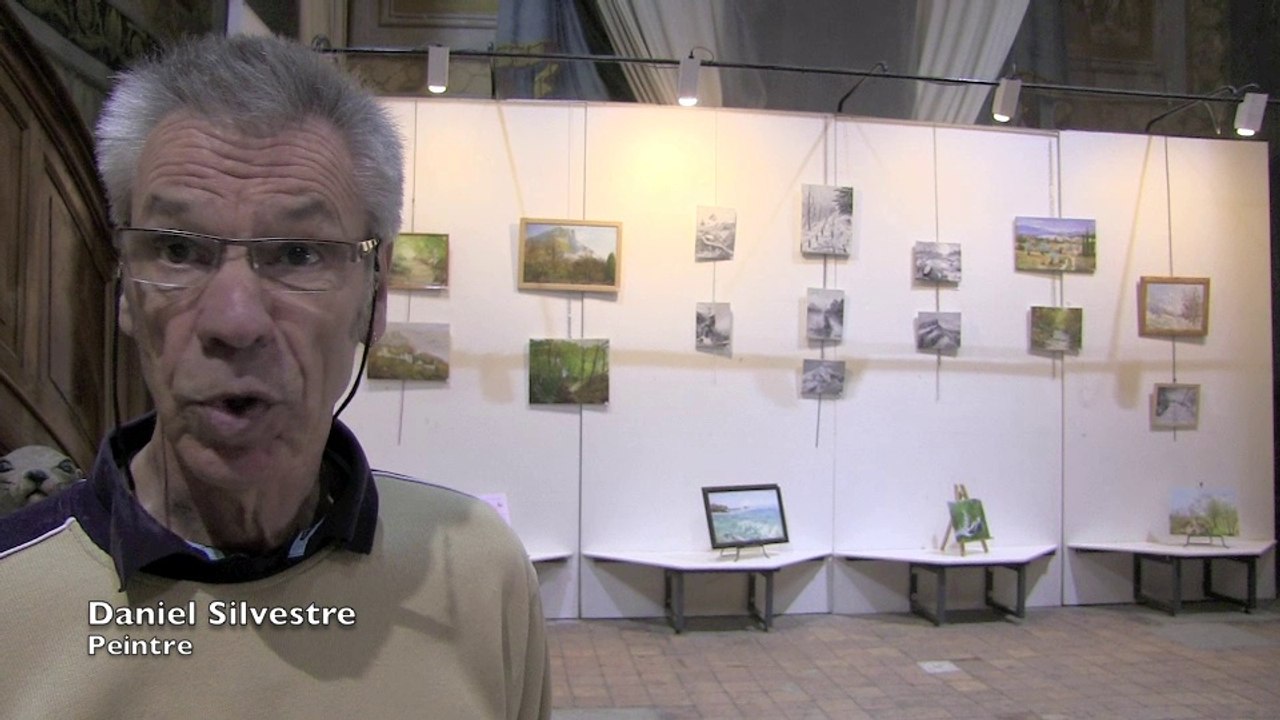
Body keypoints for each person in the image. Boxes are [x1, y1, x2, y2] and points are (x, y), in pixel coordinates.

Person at [0, 34, 549, 719]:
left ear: (375, 302)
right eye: (178, 249)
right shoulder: (12, 599)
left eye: (297, 253)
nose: (235, 320)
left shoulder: (477, 573)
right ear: (124, 292)